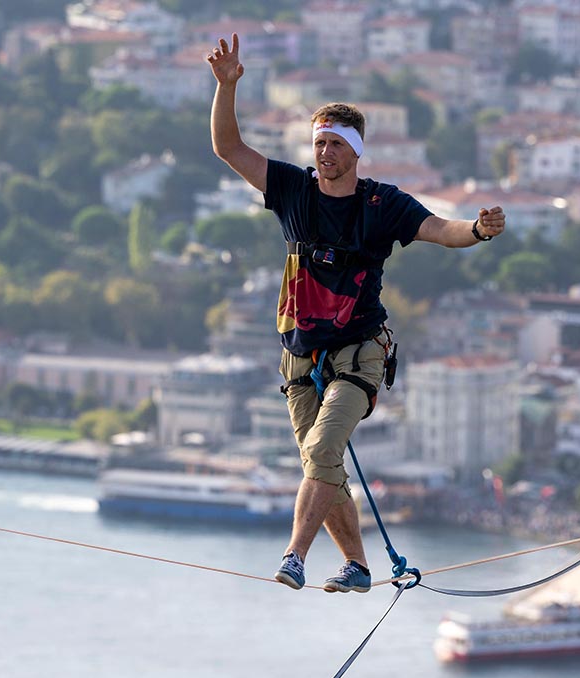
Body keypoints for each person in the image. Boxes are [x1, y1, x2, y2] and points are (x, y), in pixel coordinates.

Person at [207, 33, 506, 593]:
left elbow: (441, 230)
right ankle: (359, 567)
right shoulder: (292, 190)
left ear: (355, 151)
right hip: (298, 356)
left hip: (359, 352)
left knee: (322, 450)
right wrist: (227, 88)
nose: (324, 153)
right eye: (319, 143)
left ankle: (294, 556)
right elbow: (229, 147)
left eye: (335, 145)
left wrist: (477, 230)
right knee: (322, 468)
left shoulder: (381, 204)